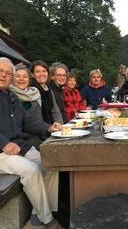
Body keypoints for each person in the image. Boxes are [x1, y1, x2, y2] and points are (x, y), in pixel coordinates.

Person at [0, 57, 64, 229]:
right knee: (31, 170)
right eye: (1, 71)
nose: (4, 75)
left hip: (19, 146)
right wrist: (3, 144)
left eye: (7, 73)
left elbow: (29, 122)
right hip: (2, 152)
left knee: (51, 164)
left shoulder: (11, 95)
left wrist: (50, 127)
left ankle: (40, 212)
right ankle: (49, 220)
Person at [8, 64, 44, 149]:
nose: (21, 79)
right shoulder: (9, 95)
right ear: (12, 79)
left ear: (29, 80)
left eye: (25, 76)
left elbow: (39, 119)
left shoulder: (35, 94)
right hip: (22, 142)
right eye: (17, 76)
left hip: (40, 135)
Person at [30, 61, 63, 125]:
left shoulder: (48, 90)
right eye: (38, 71)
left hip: (53, 129)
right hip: (40, 130)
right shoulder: (32, 91)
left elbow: (55, 112)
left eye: (44, 71)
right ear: (32, 75)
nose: (41, 74)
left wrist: (61, 126)